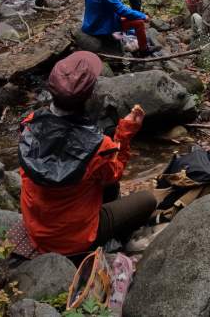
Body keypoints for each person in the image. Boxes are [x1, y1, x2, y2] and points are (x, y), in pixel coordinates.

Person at [19, 52, 158, 256]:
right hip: (73, 240)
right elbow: (116, 171)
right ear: (88, 97)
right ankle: (116, 242)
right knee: (147, 200)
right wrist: (125, 134)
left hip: (35, 226)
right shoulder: (99, 148)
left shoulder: (29, 125)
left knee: (104, 182)